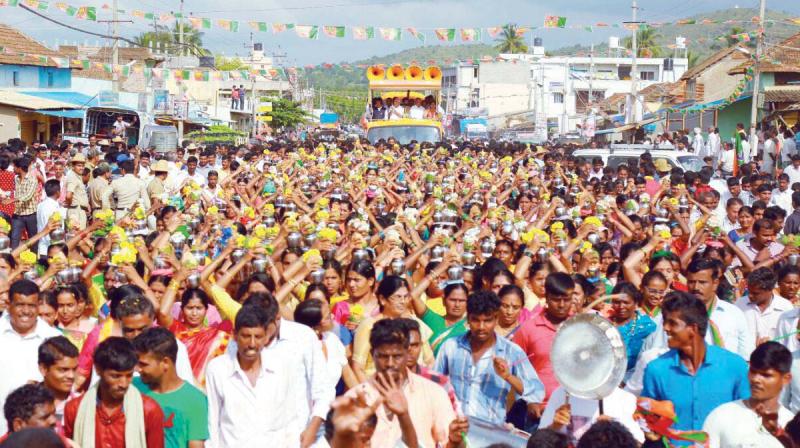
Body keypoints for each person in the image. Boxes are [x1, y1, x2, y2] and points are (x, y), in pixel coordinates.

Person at [641, 292, 750, 435]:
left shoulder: (734, 366)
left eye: (672, 323)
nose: (666, 328)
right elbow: (646, 412)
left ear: (693, 329)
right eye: (665, 322)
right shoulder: (656, 369)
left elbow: (746, 418)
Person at [435, 290, 544, 426]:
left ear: (496, 319)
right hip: (454, 428)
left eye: (487, 321)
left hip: (490, 433)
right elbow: (435, 386)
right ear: (468, 318)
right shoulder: (450, 346)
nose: (481, 327)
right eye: (475, 320)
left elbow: (536, 390)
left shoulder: (511, 351)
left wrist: (508, 377)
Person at [346, 318, 455, 448]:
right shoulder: (354, 398)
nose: (390, 363)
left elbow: (449, 442)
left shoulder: (434, 393)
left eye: (397, 356)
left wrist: (456, 440)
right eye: (383, 356)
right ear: (372, 354)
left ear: (406, 354)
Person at [205, 304, 301, 446]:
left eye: (258, 337)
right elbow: (212, 420)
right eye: (246, 336)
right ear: (235, 335)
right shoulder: (218, 369)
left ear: (266, 338)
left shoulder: (282, 367)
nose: (252, 344)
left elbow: (291, 419)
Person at [64, 337, 165, 448]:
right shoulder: (74, 409)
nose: (124, 384)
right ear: (98, 369)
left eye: (129, 375)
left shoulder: (149, 410)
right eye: (116, 376)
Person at [703, 342, 793, 448]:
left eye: (766, 375)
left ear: (786, 379)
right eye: (753, 371)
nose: (756, 379)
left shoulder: (791, 425)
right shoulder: (721, 416)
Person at [0, 280, 62, 434]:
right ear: (9, 305)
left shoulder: (53, 339)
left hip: (37, 435)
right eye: (20, 305)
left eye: (32, 305)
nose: (26, 311)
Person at [132, 327, 209, 448]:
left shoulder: (195, 399)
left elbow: (196, 444)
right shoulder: (131, 388)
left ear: (165, 363)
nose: (137, 369)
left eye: (143, 364)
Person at [514, 272, 575, 404]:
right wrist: (528, 402)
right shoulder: (527, 329)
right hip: (539, 409)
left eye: (567, 299)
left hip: (576, 406)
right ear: (546, 297)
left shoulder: (581, 328)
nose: (561, 305)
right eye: (556, 299)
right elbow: (515, 371)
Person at [735, 267, 793, 345]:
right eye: (749, 292)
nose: (750, 296)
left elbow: (790, 338)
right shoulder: (740, 304)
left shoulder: (786, 308)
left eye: (755, 293)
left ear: (769, 290)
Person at [37, 336, 79, 430]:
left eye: (75, 369)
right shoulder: (26, 402)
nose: (71, 376)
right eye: (63, 370)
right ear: (43, 369)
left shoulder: (82, 404)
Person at [9, 156, 39, 249]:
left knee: (32, 238)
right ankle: (13, 260)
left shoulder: (32, 180)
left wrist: (13, 200)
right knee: (14, 238)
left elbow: (28, 196)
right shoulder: (16, 179)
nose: (13, 169)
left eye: (14, 167)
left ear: (20, 168)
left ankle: (34, 260)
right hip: (18, 214)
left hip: (30, 214)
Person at [36, 179, 65, 258]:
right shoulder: (52, 208)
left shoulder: (41, 205)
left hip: (43, 246)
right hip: (51, 249)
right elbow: (51, 228)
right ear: (57, 192)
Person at [63, 154, 89, 229]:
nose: (81, 168)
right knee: (77, 236)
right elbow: (68, 195)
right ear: (73, 166)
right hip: (75, 211)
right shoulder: (73, 177)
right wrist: (70, 203)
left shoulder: (77, 176)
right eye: (79, 165)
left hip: (78, 210)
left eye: (83, 166)